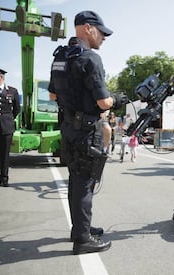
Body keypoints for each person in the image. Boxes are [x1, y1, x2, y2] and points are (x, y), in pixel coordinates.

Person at [49, 10, 128, 255]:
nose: (103, 37)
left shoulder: (60, 56)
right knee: (85, 184)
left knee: (75, 180)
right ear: (87, 28)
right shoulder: (90, 58)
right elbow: (104, 103)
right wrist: (118, 98)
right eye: (101, 32)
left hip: (69, 129)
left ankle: (79, 229)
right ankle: (83, 239)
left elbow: (52, 95)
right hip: (86, 131)